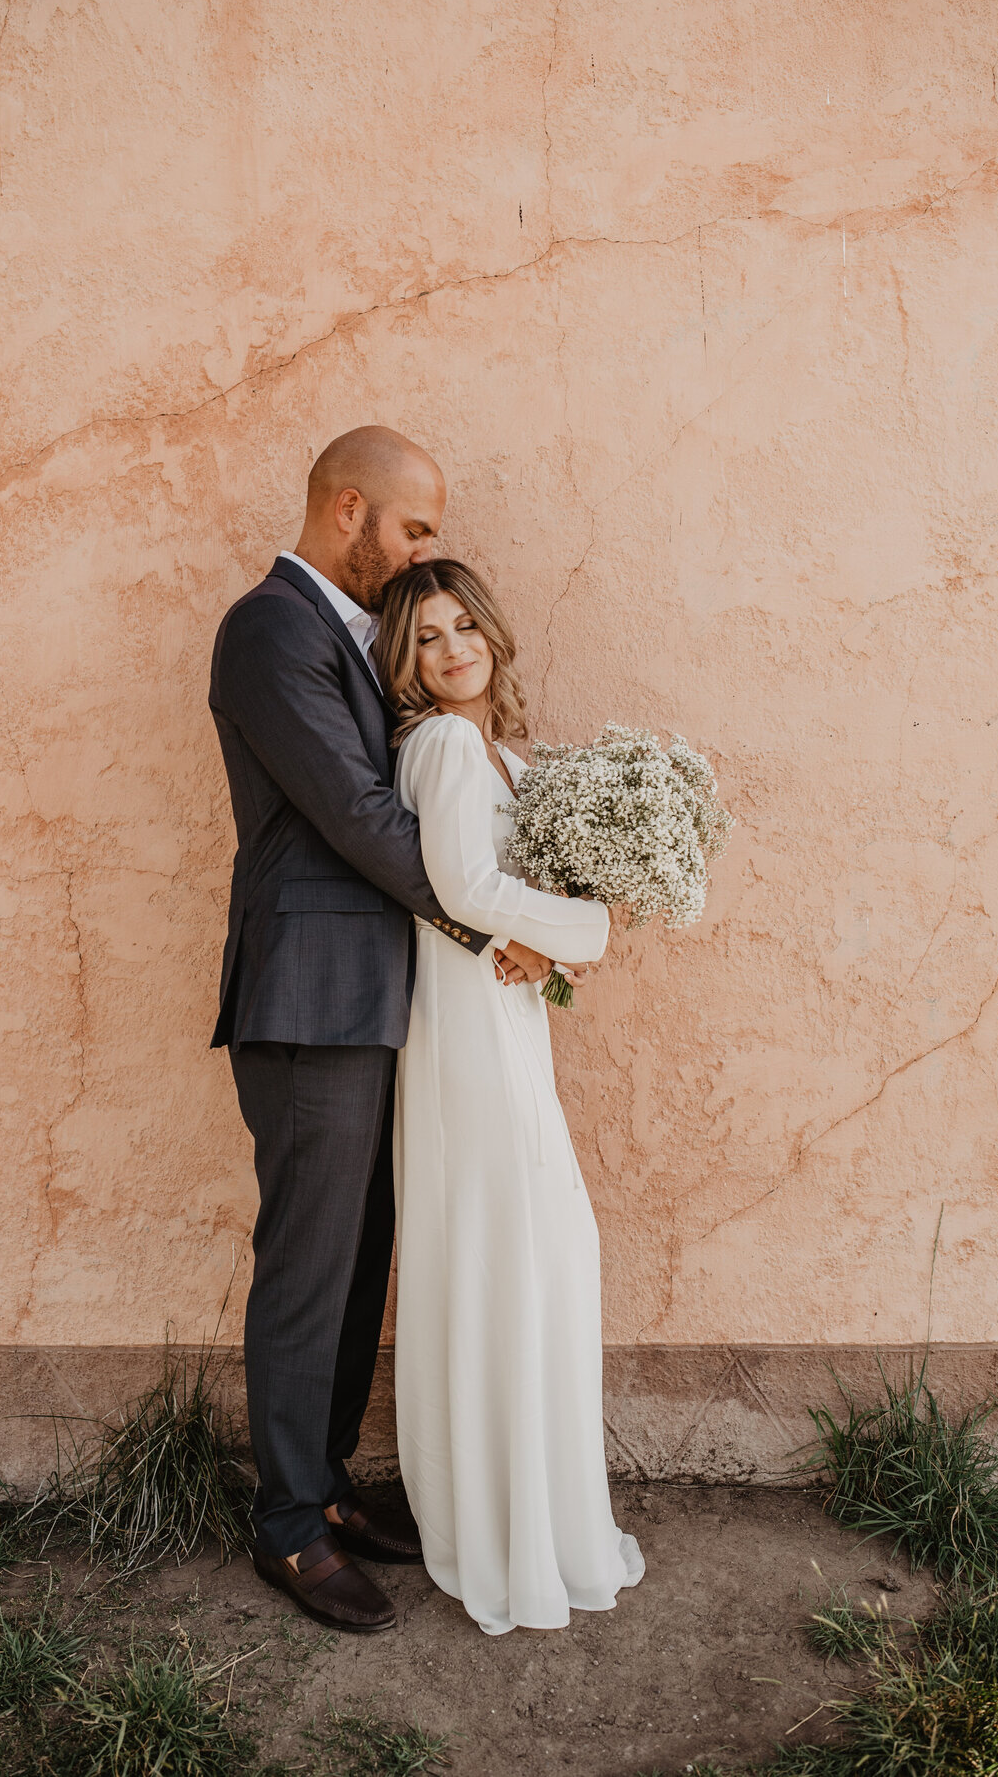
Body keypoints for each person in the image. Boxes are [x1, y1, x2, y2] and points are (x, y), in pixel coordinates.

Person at [208, 428, 555, 1635]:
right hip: (307, 991)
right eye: (413, 531)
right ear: (348, 509)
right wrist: (490, 921)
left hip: (376, 993)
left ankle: (331, 1489)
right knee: (312, 1257)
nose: (424, 557)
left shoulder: (345, 636)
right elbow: (357, 815)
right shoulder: (270, 630)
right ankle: (289, 1528)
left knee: (361, 1252)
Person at [374, 557, 646, 1636]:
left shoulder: (509, 758)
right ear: (406, 662)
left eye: (461, 627)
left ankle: (537, 1513)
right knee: (507, 1256)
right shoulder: (441, 745)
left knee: (541, 1257)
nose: (449, 650)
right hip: (465, 1037)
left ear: (492, 631)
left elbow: (513, 912)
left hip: (509, 1022)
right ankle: (492, 1533)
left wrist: (556, 958)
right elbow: (465, 889)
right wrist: (596, 931)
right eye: (425, 638)